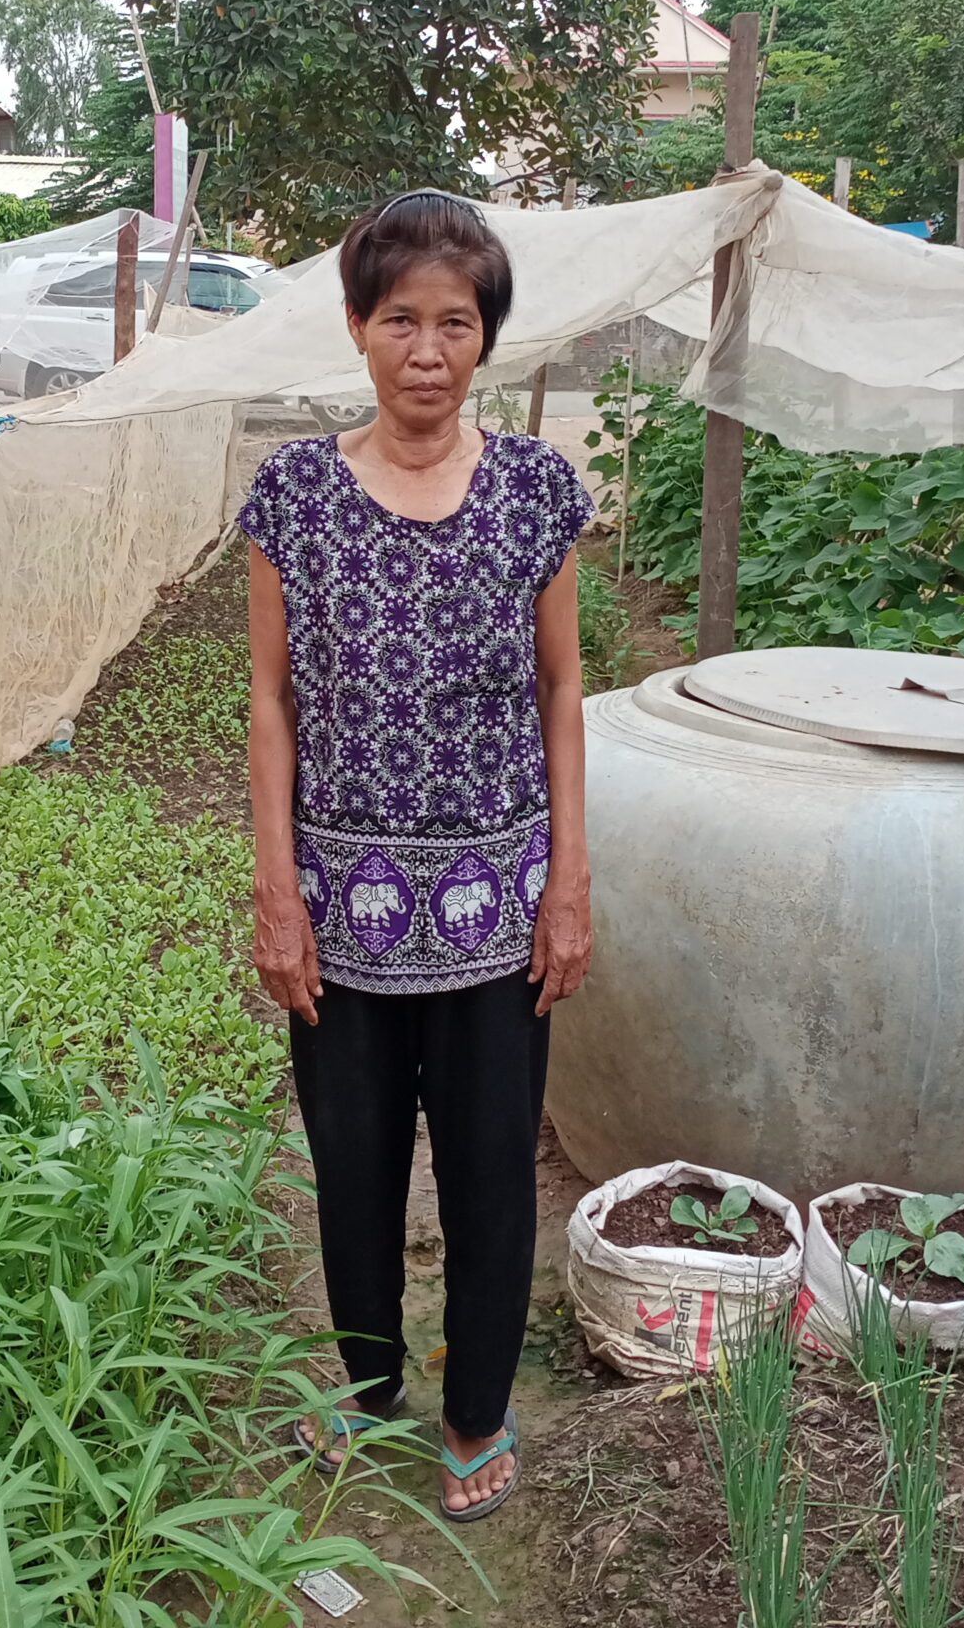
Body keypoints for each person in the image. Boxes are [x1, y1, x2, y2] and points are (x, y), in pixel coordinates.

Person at [239, 189, 594, 1523]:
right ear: (357, 327)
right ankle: (370, 1379)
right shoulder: (292, 496)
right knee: (355, 1157)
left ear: (485, 338)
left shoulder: (540, 493)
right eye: (402, 319)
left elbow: (565, 691)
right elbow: (271, 700)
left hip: (500, 906)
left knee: (497, 1166)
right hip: (343, 904)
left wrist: (569, 879)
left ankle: (475, 1410)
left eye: (456, 321)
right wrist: (279, 889)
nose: (429, 348)